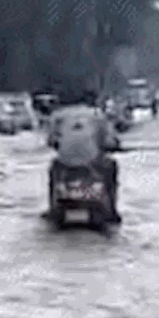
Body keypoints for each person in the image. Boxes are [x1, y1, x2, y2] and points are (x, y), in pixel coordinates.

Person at [48, 88, 122, 223]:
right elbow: (109, 140)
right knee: (112, 166)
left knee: (53, 170)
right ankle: (112, 208)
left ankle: (52, 206)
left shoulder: (58, 116)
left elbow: (51, 141)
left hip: (65, 161)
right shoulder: (98, 114)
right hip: (92, 161)